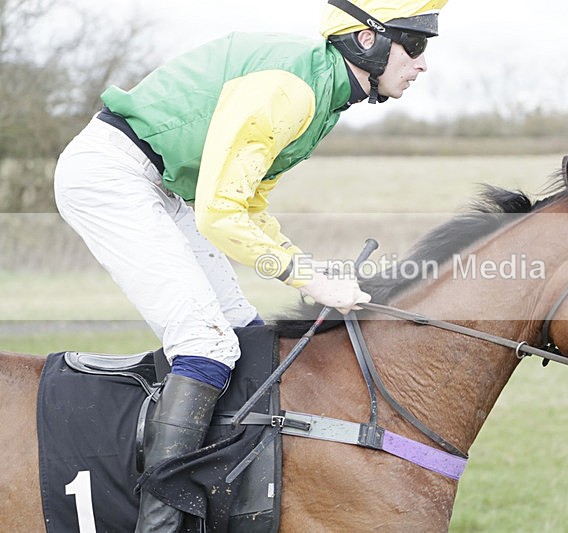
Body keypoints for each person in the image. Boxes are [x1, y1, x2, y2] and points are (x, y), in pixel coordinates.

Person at [53, 0, 448, 530]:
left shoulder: (324, 93)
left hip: (161, 186)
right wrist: (306, 277)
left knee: (243, 332)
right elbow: (219, 215)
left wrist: (313, 270)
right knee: (206, 343)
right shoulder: (293, 89)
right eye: (415, 44)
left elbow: (250, 205)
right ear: (367, 40)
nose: (422, 63)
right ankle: (161, 521)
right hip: (113, 175)